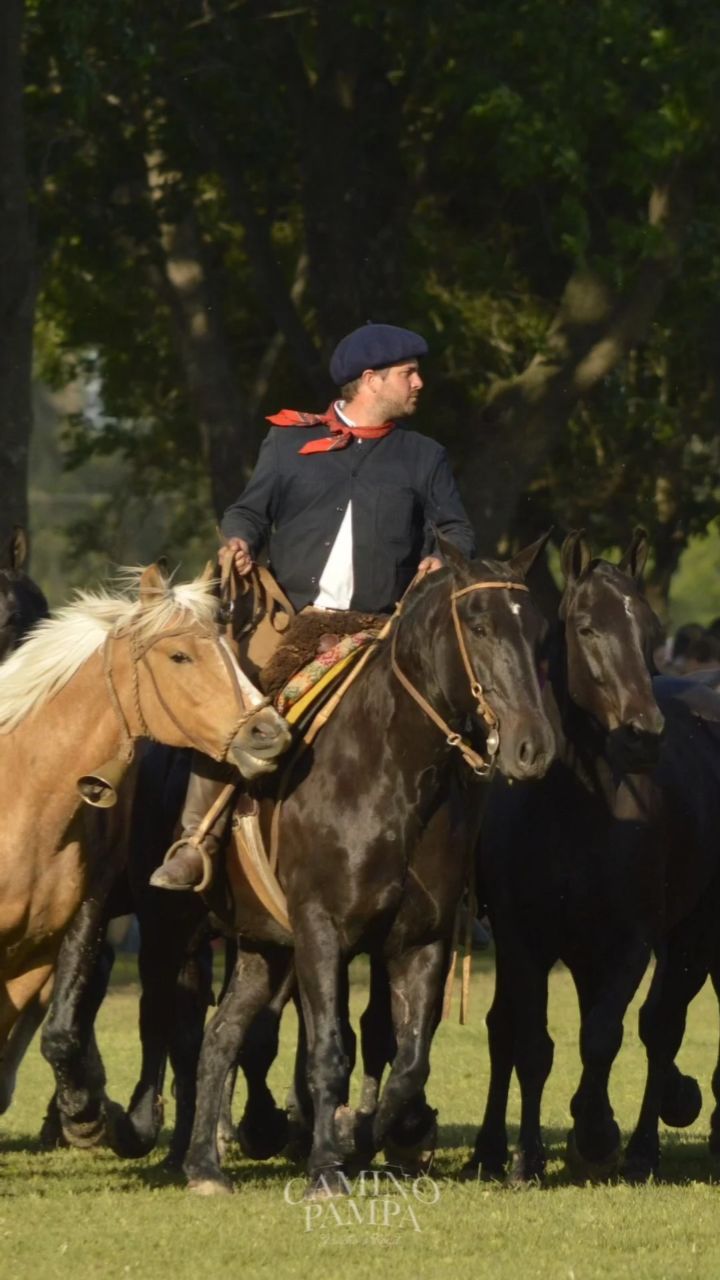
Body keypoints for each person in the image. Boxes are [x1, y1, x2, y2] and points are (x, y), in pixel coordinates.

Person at [151, 322, 475, 890]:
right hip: (292, 626)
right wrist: (239, 541)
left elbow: (455, 529)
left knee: (463, 716)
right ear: (371, 381)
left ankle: (467, 865)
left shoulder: (425, 456)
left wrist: (442, 559)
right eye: (409, 373)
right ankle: (195, 841)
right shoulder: (287, 444)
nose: (420, 383)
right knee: (233, 710)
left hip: (385, 632)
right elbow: (247, 512)